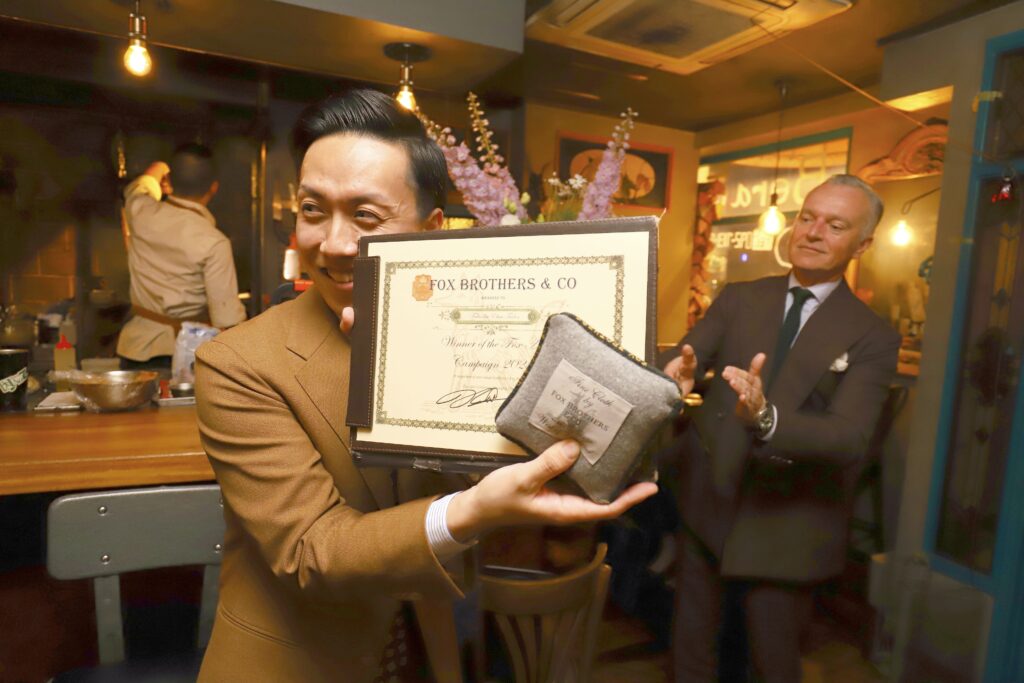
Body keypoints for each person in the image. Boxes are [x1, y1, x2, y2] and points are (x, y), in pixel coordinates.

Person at [193, 88, 657, 682]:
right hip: (296, 663)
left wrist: (620, 401)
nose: (333, 243)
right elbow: (311, 549)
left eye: (365, 216)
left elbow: (487, 460)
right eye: (313, 210)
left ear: (432, 229)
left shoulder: (464, 336)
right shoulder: (238, 362)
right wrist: (469, 511)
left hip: (426, 650)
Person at [661, 174, 901, 683]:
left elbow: (849, 437)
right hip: (709, 503)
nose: (812, 232)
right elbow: (688, 356)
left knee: (771, 663)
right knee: (690, 655)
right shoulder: (740, 297)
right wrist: (675, 374)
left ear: (863, 244)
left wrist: (766, 417)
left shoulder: (873, 335)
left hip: (788, 525)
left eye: (835, 225)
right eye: (807, 217)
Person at [117, 143, 246, 369]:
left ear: (167, 182)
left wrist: (156, 169)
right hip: (185, 356)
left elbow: (136, 189)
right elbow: (227, 321)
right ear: (213, 188)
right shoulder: (215, 242)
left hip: (135, 350)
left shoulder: (140, 212)